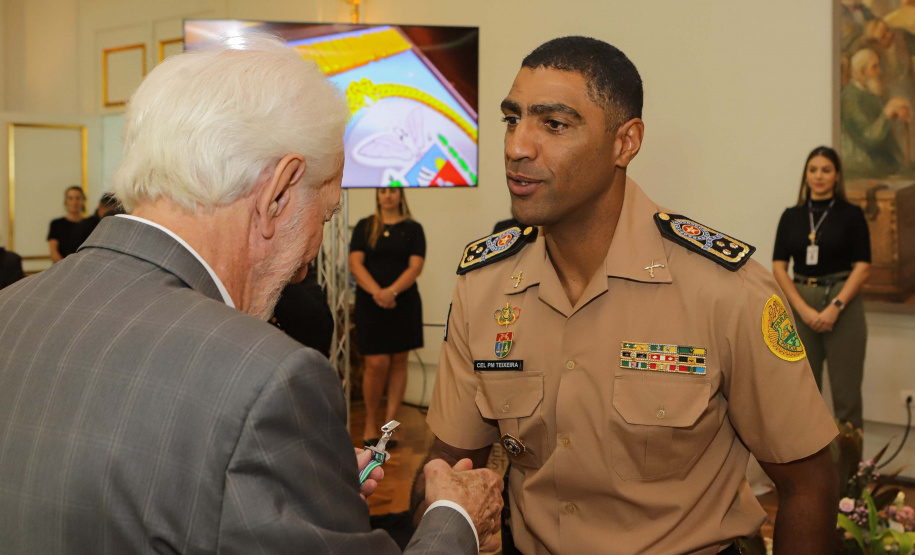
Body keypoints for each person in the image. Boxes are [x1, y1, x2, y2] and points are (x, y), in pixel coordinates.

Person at [0, 34, 503, 555]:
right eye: (326, 215)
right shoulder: (268, 379)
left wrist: (301, 497)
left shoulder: (10, 309)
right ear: (278, 192)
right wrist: (454, 521)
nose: (310, 258)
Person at [411, 36, 840, 555]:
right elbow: (447, 467)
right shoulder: (485, 286)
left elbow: (809, 484)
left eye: (554, 124)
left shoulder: (726, 291)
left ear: (625, 142)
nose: (517, 146)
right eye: (511, 119)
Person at [772, 146, 872, 431]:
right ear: (806, 174)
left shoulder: (852, 215)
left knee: (847, 398)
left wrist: (835, 308)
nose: (819, 176)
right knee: (802, 393)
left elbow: (863, 267)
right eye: (813, 170)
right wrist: (803, 310)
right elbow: (778, 267)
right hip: (800, 303)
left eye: (826, 170)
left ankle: (849, 461)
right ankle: (809, 461)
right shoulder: (791, 216)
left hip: (843, 305)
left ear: (837, 175)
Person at [349, 188, 426, 446]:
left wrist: (391, 292)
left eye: (392, 190)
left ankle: (389, 427)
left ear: (401, 195)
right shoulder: (365, 226)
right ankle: (370, 423)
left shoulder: (413, 228)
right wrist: (378, 293)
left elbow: (415, 267)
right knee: (376, 363)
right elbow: (355, 264)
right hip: (370, 303)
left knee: (399, 361)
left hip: (403, 302)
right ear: (377, 195)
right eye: (383, 191)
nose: (388, 196)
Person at [840, 48, 912, 176]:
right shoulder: (850, 97)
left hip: (881, 165)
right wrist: (887, 112)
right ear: (862, 72)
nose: (879, 71)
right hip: (863, 168)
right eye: (874, 67)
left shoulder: (870, 94)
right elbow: (868, 138)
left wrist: (895, 111)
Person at [47, 185, 88, 261]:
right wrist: (66, 266)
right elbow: (54, 252)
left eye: (78, 198)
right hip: (61, 265)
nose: (74, 202)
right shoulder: (56, 224)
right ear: (66, 202)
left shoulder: (91, 224)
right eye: (70, 198)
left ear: (83, 201)